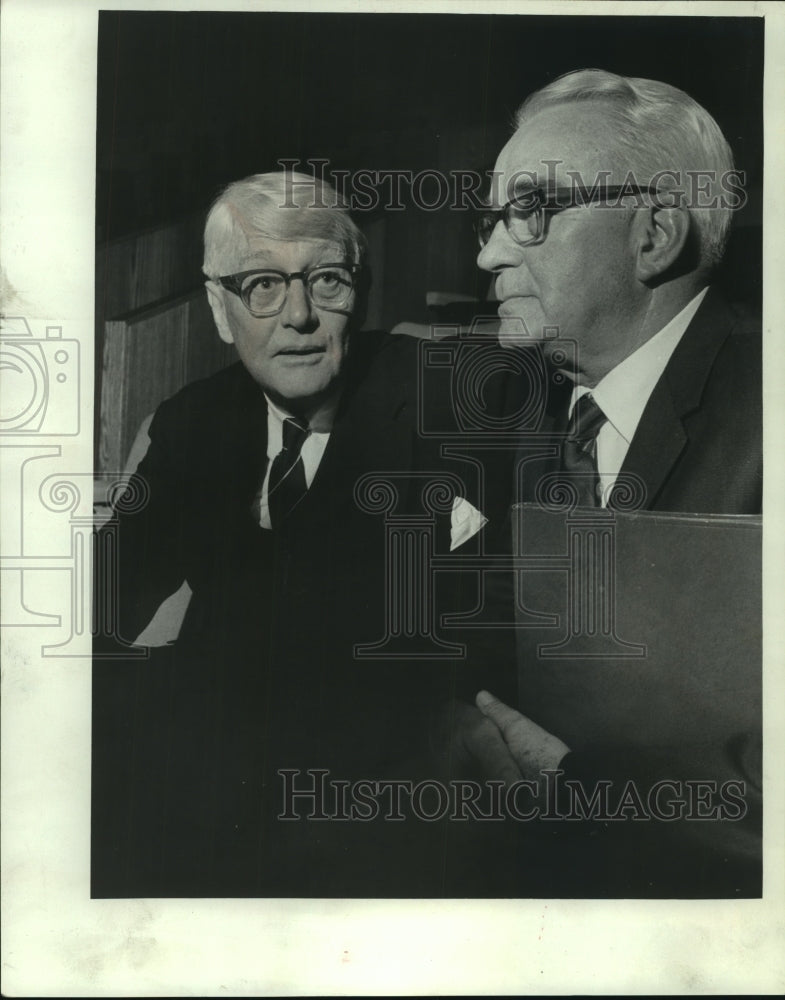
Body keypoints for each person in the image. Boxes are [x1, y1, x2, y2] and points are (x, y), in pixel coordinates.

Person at [91, 171, 507, 898]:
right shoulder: (193, 422)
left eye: (327, 281)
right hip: (217, 806)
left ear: (361, 294)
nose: (300, 316)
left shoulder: (453, 398)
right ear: (221, 311)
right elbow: (102, 605)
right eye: (261, 286)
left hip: (399, 807)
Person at [456, 69, 762, 895]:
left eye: (529, 211)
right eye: (492, 218)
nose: (487, 252)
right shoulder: (523, 411)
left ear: (654, 235)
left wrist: (573, 786)